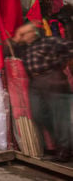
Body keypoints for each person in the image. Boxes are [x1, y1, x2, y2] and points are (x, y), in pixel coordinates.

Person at [12, 22, 73, 162]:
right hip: (35, 82)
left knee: (59, 118)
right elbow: (7, 49)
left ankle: (64, 151)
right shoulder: (25, 48)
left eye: (24, 33)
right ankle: (63, 145)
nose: (23, 36)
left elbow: (69, 47)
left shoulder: (49, 41)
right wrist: (17, 37)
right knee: (38, 115)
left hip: (53, 79)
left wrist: (58, 63)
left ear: (34, 33)